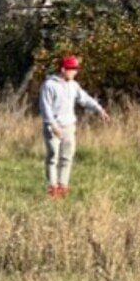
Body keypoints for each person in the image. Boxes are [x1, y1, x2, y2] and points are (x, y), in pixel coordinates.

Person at [39, 55, 109, 198]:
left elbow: (84, 99)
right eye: (72, 69)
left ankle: (63, 186)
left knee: (67, 157)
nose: (75, 72)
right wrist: (53, 125)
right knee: (53, 157)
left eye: (76, 69)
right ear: (63, 69)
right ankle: (53, 187)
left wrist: (99, 109)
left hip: (69, 126)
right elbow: (45, 108)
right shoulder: (49, 85)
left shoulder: (73, 85)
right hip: (53, 127)